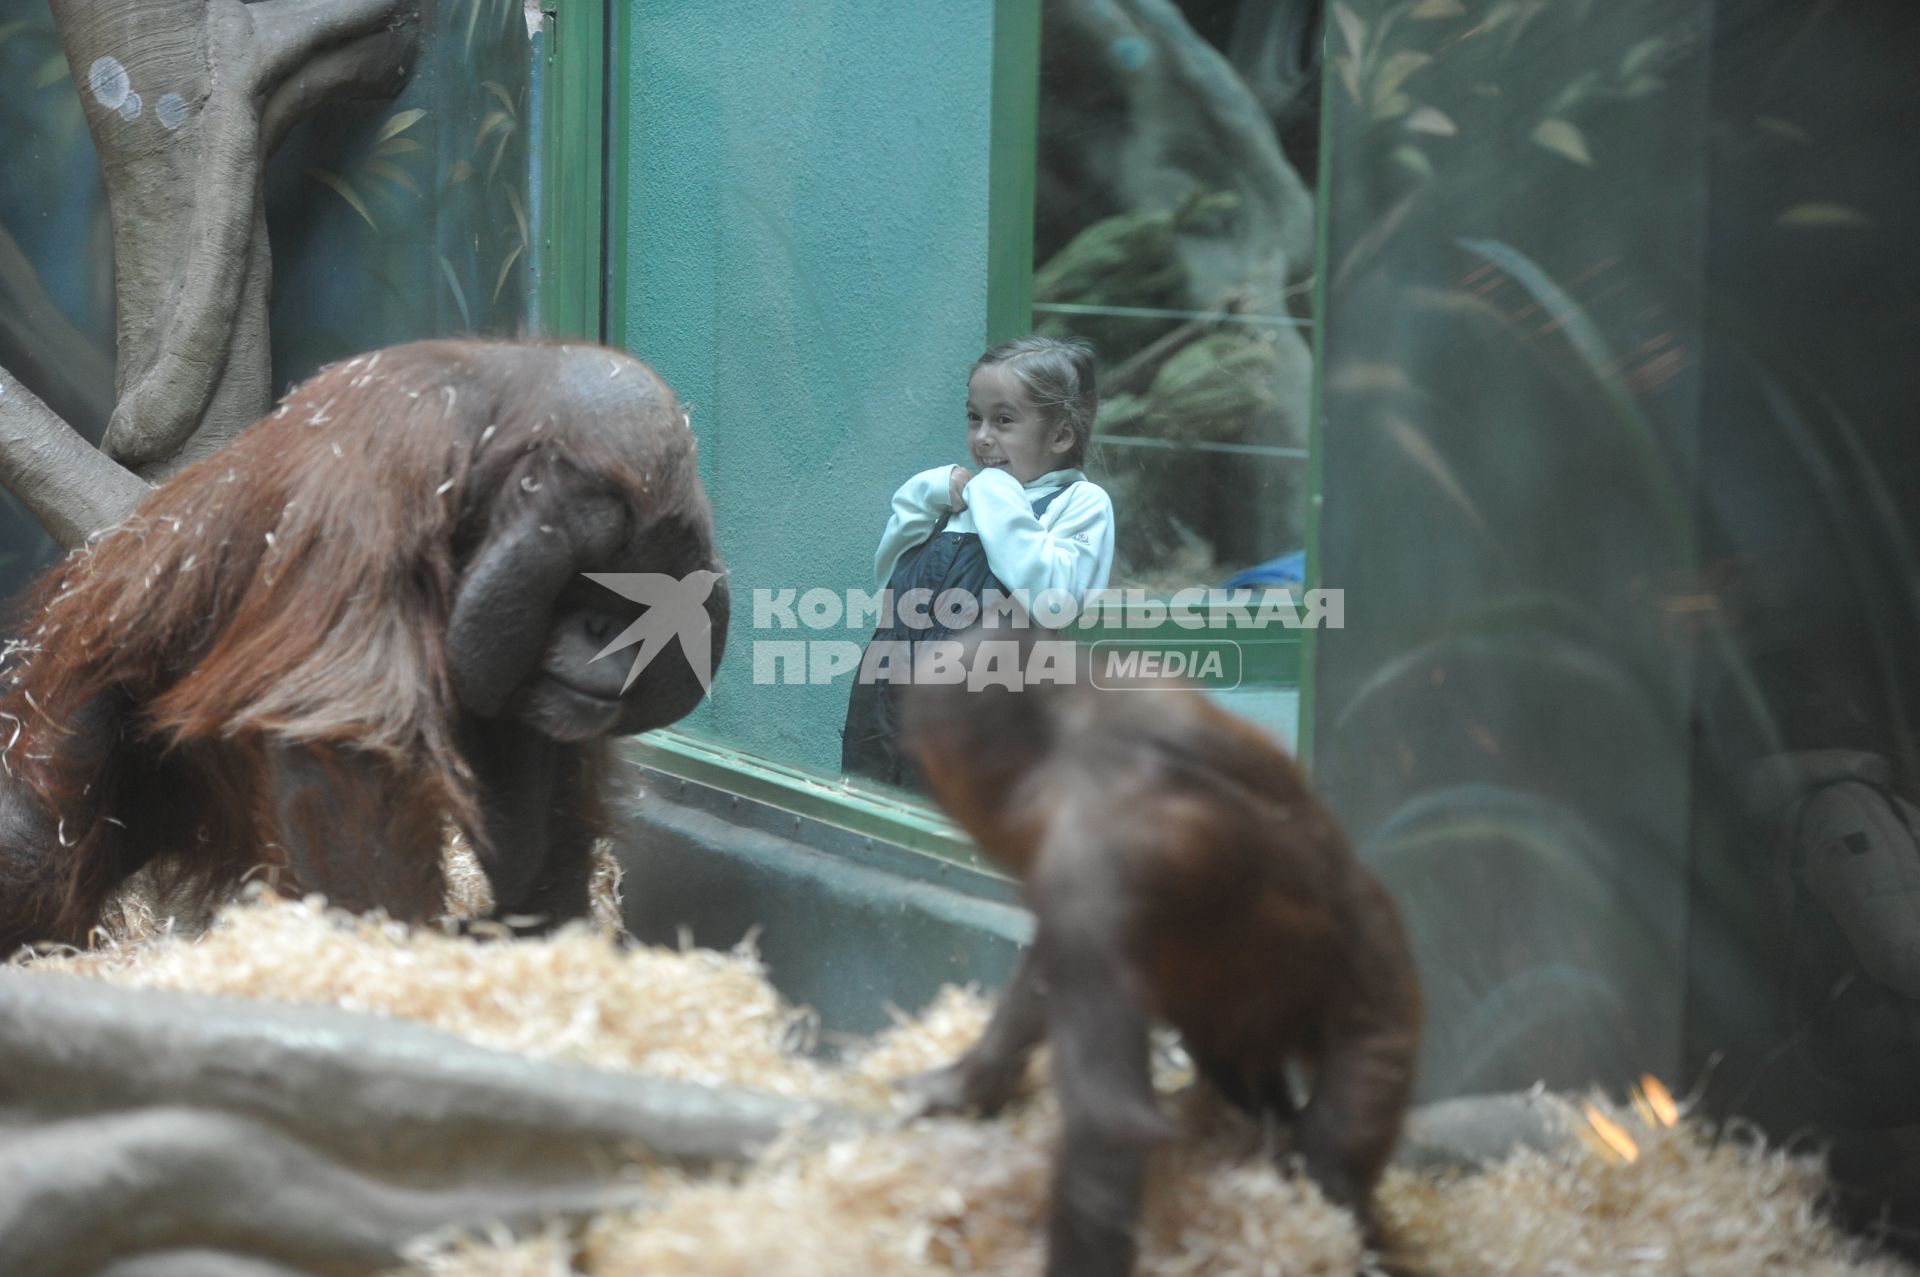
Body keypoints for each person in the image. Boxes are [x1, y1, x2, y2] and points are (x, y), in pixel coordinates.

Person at [841, 335, 1115, 789]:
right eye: (974, 418)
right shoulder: (963, 501)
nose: (983, 437)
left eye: (1003, 420)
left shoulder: (1080, 503)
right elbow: (889, 581)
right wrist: (918, 497)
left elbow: (1057, 600)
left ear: (1061, 434)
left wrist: (996, 495)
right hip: (889, 701)